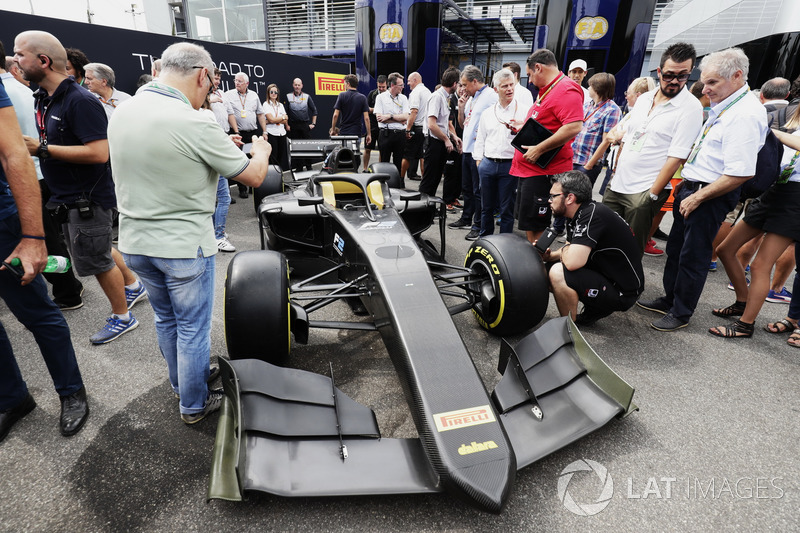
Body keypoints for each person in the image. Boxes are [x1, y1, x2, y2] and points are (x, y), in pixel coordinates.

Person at [108, 42, 271, 424]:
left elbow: (165, 154)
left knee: (166, 320)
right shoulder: (193, 121)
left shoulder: (123, 110)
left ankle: (183, 383)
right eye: (212, 84)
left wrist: (219, 146)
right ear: (202, 75)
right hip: (182, 246)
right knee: (192, 328)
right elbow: (254, 176)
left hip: (134, 243)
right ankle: (194, 404)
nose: (210, 91)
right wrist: (260, 149)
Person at [15, 30, 145, 345]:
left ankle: (122, 316)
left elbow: (100, 152)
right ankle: (134, 285)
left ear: (43, 61)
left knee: (97, 260)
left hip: (87, 199)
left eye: (20, 54)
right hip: (70, 198)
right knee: (97, 249)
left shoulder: (80, 100)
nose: (14, 61)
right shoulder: (44, 97)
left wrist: (41, 149)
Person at [637, 47, 768, 332]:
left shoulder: (745, 113)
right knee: (676, 249)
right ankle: (671, 298)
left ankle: (681, 312)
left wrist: (698, 195)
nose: (704, 88)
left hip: (709, 194)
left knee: (693, 256)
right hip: (695, 187)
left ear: (736, 76)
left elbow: (741, 171)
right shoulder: (728, 105)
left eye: (712, 82)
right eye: (705, 81)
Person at [0, 80, 89, 442]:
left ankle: (71, 391)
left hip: (3, 221)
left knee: (36, 311)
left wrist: (34, 237)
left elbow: (13, 154)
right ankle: (13, 399)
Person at [0, 40, 84, 310]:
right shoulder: (28, 92)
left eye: (21, 54)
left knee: (44, 240)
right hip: (39, 172)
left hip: (24, 178)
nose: (18, 60)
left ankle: (68, 292)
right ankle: (69, 288)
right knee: (52, 238)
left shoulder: (12, 94)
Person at [602, 42, 703, 257]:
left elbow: (676, 157)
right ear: (659, 72)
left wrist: (652, 195)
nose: (675, 81)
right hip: (618, 183)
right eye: (669, 75)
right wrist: (614, 173)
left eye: (682, 76)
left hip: (644, 191)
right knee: (603, 237)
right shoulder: (644, 99)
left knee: (630, 248)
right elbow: (628, 136)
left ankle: (628, 289)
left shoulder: (691, 107)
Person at [708, 124, 800, 338]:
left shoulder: (785, 132)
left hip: (795, 200)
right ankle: (742, 301)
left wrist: (771, 131)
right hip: (776, 190)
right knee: (725, 249)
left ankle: (745, 325)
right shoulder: (794, 129)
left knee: (760, 265)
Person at [541, 171, 644, 325]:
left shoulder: (592, 216)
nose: (549, 200)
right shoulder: (580, 212)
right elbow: (570, 249)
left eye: (553, 196)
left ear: (570, 198)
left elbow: (572, 262)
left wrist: (564, 253)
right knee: (544, 269)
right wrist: (551, 256)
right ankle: (594, 308)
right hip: (607, 275)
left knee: (557, 273)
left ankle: (568, 329)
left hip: (623, 291)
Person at [509, 49, 584, 244]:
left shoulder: (566, 89)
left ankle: (540, 269)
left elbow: (574, 126)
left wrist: (539, 149)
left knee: (536, 228)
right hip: (530, 171)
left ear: (538, 68)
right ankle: (536, 265)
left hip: (542, 172)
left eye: (530, 75)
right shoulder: (549, 89)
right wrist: (522, 126)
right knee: (530, 226)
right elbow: (547, 123)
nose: (531, 81)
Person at [472, 68, 528, 236]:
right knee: (486, 207)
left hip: (510, 165)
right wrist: (479, 162)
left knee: (506, 209)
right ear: (496, 89)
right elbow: (480, 138)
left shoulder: (524, 110)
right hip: (487, 164)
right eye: (505, 86)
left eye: (511, 85)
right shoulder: (488, 113)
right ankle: (485, 239)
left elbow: (532, 138)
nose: (509, 89)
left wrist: (523, 127)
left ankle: (505, 242)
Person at [449, 66, 498, 241]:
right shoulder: (471, 98)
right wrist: (461, 108)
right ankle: (466, 218)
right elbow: (463, 125)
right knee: (467, 188)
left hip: (480, 152)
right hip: (468, 150)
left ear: (475, 81)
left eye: (465, 84)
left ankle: (478, 225)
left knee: (479, 191)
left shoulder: (491, 96)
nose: (462, 88)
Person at [571, 72, 621, 186]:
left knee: (578, 199)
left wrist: (588, 166)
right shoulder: (587, 105)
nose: (588, 88)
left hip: (586, 163)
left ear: (598, 88)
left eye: (591, 85)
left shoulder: (612, 109)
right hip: (572, 159)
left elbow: (606, 141)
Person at [419, 67, 461, 198]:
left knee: (436, 178)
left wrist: (453, 136)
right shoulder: (437, 97)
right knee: (429, 180)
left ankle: (429, 210)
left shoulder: (444, 97)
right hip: (433, 143)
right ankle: (422, 212)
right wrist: (446, 139)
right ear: (454, 84)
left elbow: (442, 124)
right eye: (459, 83)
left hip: (439, 142)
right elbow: (432, 125)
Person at [225, 72, 267, 198]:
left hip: (252, 133)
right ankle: (242, 188)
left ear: (247, 83)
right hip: (237, 134)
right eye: (235, 80)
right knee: (240, 161)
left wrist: (264, 131)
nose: (236, 83)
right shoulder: (228, 95)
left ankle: (252, 187)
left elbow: (260, 114)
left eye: (239, 81)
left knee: (252, 159)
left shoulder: (254, 95)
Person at [374, 72, 409, 176]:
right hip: (386, 134)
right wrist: (399, 119)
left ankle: (397, 185)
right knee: (384, 163)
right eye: (400, 85)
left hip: (400, 135)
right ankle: (383, 185)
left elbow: (406, 116)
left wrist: (389, 116)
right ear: (392, 85)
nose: (403, 87)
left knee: (398, 163)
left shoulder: (403, 98)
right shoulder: (380, 98)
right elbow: (380, 118)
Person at [402, 72, 431, 180]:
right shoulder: (427, 91)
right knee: (422, 156)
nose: (408, 83)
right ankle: (425, 180)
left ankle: (400, 180)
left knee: (407, 156)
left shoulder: (415, 92)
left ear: (415, 80)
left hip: (416, 128)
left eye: (409, 81)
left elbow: (413, 111)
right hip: (425, 129)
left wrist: (408, 129)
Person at [330, 74, 371, 150]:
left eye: (344, 83)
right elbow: (366, 118)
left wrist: (333, 130)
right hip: (356, 132)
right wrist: (369, 134)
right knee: (355, 155)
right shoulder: (362, 98)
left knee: (344, 156)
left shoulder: (342, 95)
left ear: (348, 83)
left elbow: (335, 115)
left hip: (344, 132)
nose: (344, 85)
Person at [285, 77, 318, 171]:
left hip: (305, 125)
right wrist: (287, 125)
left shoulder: (307, 96)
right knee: (296, 147)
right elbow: (285, 113)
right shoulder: (288, 96)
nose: (297, 87)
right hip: (293, 126)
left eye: (299, 85)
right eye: (295, 85)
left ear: (302, 86)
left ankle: (309, 166)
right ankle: (299, 167)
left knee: (307, 146)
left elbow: (314, 110)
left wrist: (313, 124)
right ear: (293, 85)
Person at [264, 83, 290, 171]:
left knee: (280, 158)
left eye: (276, 92)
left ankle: (280, 180)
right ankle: (273, 181)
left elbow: (286, 120)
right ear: (268, 93)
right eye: (271, 92)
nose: (274, 93)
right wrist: (282, 118)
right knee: (273, 159)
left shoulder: (280, 105)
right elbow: (271, 120)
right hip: (272, 134)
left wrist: (274, 120)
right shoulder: (266, 105)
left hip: (282, 133)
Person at [364, 75, 387, 171]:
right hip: (372, 125)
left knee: (383, 150)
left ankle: (380, 169)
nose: (381, 89)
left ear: (387, 85)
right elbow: (366, 109)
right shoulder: (372, 94)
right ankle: (365, 169)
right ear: (377, 84)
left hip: (384, 126)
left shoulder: (389, 95)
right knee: (367, 148)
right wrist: (378, 110)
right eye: (379, 87)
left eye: (383, 87)